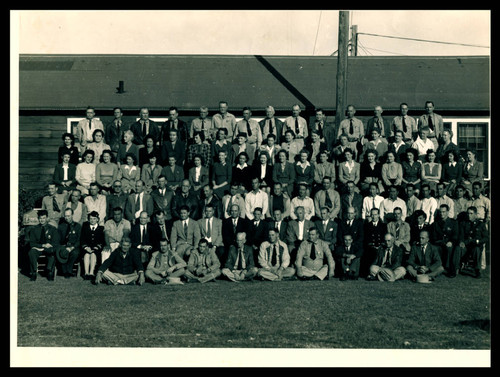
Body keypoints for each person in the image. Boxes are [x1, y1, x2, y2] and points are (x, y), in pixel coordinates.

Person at [453, 206, 488, 279]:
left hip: (475, 246)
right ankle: (455, 269)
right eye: (468, 213)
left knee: (477, 249)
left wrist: (478, 241)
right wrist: (461, 242)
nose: (469, 215)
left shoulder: (481, 224)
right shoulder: (463, 223)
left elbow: (486, 238)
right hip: (465, 246)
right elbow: (461, 235)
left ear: (475, 214)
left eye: (471, 213)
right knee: (458, 248)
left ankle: (477, 270)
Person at [27, 210, 60, 281]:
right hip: (38, 248)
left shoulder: (52, 229)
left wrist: (47, 246)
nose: (42, 220)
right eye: (40, 218)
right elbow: (31, 243)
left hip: (48, 248)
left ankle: (49, 271)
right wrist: (42, 245)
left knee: (53, 252)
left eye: (44, 218)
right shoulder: (34, 229)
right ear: (38, 218)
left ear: (47, 218)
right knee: (31, 252)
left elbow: (56, 242)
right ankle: (34, 273)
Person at [432, 204, 459, 276]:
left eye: (444, 212)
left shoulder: (453, 222)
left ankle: (450, 268)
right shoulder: (435, 224)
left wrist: (451, 242)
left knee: (450, 248)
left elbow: (455, 235)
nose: (442, 214)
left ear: (447, 212)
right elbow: (434, 237)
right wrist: (442, 242)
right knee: (436, 248)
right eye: (440, 212)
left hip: (450, 243)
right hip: (439, 243)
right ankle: (437, 268)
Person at [56, 208, 82, 279]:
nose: (67, 218)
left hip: (74, 247)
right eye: (65, 216)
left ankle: (69, 271)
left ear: (72, 215)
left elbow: (79, 240)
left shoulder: (77, 226)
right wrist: (62, 247)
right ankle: (64, 271)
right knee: (62, 252)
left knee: (75, 253)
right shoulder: (60, 226)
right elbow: (58, 239)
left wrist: (72, 248)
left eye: (68, 216)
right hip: (64, 246)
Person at [362, 207, 388, 277]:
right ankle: (369, 273)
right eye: (372, 215)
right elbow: (365, 238)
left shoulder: (383, 226)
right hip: (370, 247)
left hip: (381, 247)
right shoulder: (366, 226)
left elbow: (384, 238)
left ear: (379, 215)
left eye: (375, 214)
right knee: (369, 253)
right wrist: (372, 245)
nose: (374, 216)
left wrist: (380, 245)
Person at [80, 211, 105, 281]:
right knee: (87, 255)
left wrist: (97, 247)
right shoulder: (85, 228)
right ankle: (86, 273)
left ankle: (91, 273)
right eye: (91, 219)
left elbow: (102, 241)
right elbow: (82, 239)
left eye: (94, 219)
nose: (92, 220)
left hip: (96, 249)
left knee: (93, 254)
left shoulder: (101, 229)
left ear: (97, 219)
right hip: (87, 249)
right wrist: (86, 247)